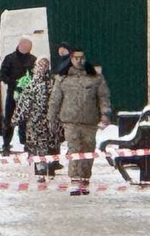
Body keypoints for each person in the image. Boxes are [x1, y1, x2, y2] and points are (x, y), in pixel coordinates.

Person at [48, 47, 112, 195]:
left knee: (88, 149)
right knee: (75, 148)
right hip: (71, 121)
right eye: (76, 58)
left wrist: (105, 114)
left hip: (89, 120)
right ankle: (75, 179)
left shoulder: (95, 78)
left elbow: (103, 97)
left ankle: (85, 177)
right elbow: (55, 99)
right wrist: (51, 117)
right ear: (71, 59)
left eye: (81, 58)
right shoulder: (63, 79)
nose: (79, 61)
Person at [12, 58, 62, 181]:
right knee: (45, 146)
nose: (41, 68)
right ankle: (46, 169)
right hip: (44, 123)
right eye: (41, 65)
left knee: (44, 147)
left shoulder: (38, 84)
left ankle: (45, 170)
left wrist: (16, 119)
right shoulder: (48, 83)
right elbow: (24, 104)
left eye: (43, 66)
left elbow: (24, 105)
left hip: (42, 123)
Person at [0, 37, 36, 156]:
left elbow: (35, 75)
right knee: (9, 120)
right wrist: (13, 82)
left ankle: (26, 142)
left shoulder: (33, 60)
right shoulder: (10, 58)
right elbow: (3, 74)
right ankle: (6, 144)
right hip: (12, 94)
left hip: (27, 95)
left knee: (26, 120)